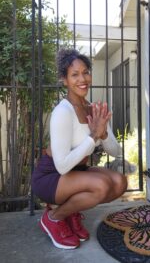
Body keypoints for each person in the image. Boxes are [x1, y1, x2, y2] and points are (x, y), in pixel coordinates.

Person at [32, 48, 127, 250]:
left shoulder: (93, 109)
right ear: (64, 80)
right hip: (52, 176)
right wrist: (93, 137)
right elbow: (63, 166)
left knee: (119, 182)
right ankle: (54, 218)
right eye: (74, 74)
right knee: (101, 185)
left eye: (86, 72)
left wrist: (103, 135)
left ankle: (71, 211)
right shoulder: (62, 112)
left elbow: (115, 151)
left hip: (76, 173)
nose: (82, 79)